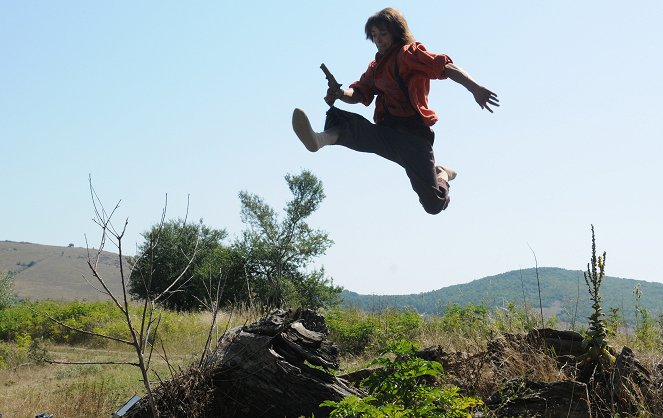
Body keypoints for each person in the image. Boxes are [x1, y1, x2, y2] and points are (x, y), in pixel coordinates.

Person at [292, 7, 498, 214]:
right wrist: (339, 93)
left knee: (433, 205)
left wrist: (475, 88)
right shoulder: (375, 67)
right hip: (388, 134)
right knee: (349, 124)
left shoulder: (409, 54)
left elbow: (445, 67)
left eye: (383, 34)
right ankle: (319, 139)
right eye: (374, 36)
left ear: (395, 33)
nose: (378, 40)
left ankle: (442, 173)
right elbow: (359, 93)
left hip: (414, 138)